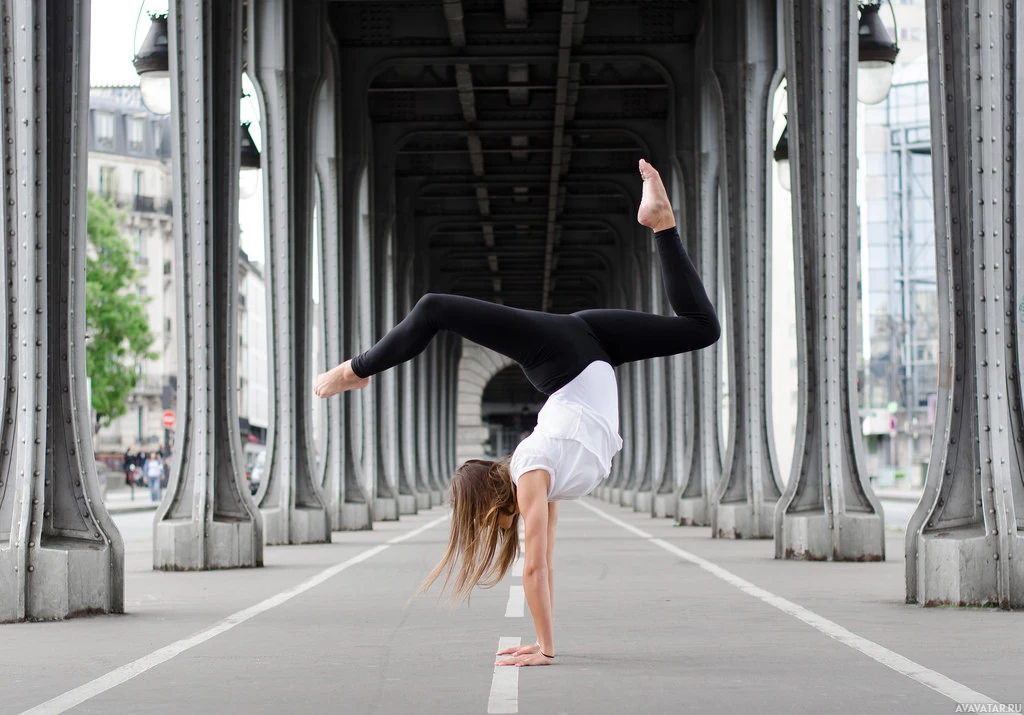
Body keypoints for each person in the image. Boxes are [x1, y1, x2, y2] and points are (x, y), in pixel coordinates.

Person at [313, 159, 720, 667]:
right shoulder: (540, 483)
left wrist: (546, 650)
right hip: (592, 350)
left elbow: (534, 570)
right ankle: (661, 224)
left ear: (492, 508)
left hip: (564, 358)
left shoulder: (530, 476)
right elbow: (542, 565)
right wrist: (543, 640)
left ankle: (356, 368)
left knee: (435, 307)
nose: (499, 531)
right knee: (702, 328)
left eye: (489, 526)